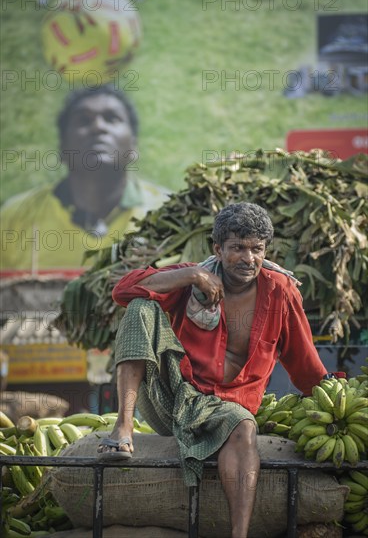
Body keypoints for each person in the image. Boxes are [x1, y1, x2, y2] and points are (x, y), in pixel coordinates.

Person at [97, 202, 330, 538]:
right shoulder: (192, 278)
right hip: (172, 399)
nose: (248, 259)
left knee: (245, 429)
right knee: (140, 306)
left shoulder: (281, 291)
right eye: (237, 248)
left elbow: (305, 363)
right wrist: (192, 275)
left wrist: (333, 398)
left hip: (228, 408)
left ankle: (239, 534)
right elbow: (123, 290)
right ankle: (123, 429)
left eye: (257, 249)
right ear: (218, 249)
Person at [0, 84, 169, 271]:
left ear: (133, 147)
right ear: (63, 148)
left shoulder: (166, 215)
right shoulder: (14, 219)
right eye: (83, 120)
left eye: (112, 118)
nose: (98, 127)